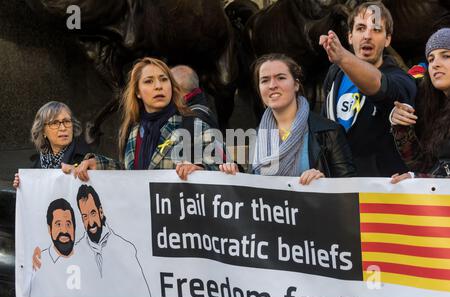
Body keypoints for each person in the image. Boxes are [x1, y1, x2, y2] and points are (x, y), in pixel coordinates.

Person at [73, 57, 224, 181]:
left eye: (164, 80)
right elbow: (132, 175)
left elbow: (226, 170)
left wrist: (202, 170)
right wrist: (99, 165)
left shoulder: (195, 124)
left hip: (180, 215)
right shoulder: (132, 131)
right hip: (141, 215)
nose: (158, 86)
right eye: (149, 81)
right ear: (137, 92)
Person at [220, 53, 356, 184]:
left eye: (280, 78)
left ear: (296, 84)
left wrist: (324, 182)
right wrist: (237, 176)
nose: (272, 85)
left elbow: (350, 191)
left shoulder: (329, 132)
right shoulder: (257, 135)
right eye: (265, 80)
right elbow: (255, 187)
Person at [319, 1, 417, 177]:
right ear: (350, 36)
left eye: (377, 30)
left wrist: (343, 57)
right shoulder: (335, 74)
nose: (367, 36)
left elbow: (381, 88)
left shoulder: (401, 79)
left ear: (388, 39)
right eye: (361, 28)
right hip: (337, 189)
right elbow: (325, 130)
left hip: (380, 193)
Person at [390, 28, 450, 182]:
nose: (435, 64)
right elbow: (424, 165)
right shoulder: (434, 108)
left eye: (446, 56)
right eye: (431, 59)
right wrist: (401, 126)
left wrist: (417, 177)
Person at [12, 101, 90, 188]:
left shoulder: (87, 157)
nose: (63, 128)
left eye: (67, 121)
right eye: (54, 123)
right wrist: (22, 185)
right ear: (43, 131)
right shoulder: (40, 161)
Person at [29, 198, 88, 297]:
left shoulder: (88, 256)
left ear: (74, 227)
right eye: (58, 224)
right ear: (49, 229)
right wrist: (22, 184)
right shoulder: (39, 260)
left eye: (68, 224)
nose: (64, 230)